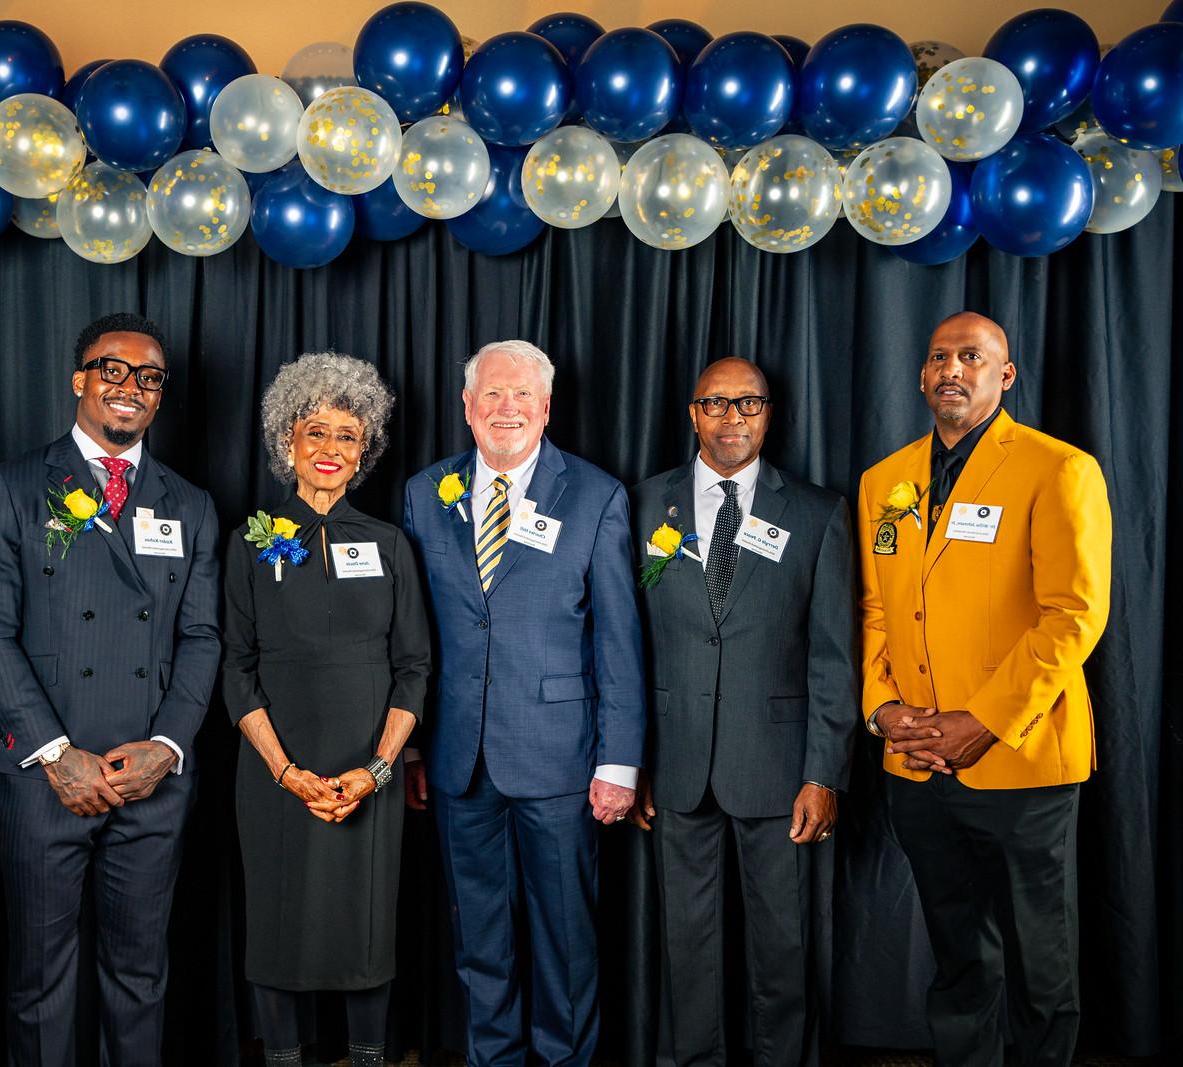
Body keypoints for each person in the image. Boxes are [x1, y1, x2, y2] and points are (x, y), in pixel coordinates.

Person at [0, 313, 221, 1067]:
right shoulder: (11, 487)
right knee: (40, 980)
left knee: (139, 975)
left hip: (150, 779)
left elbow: (202, 637)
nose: (130, 388)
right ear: (79, 380)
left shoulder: (189, 503)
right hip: (45, 778)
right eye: (112, 370)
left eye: (149, 377)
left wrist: (166, 748)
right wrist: (53, 752)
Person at [859, 312, 1112, 1067]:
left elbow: (1075, 614)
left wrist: (986, 719)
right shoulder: (886, 480)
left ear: (1004, 376)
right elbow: (874, 610)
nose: (951, 369)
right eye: (939, 356)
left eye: (972, 356)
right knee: (959, 955)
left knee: (1041, 962)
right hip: (917, 765)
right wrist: (883, 711)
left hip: (1022, 759)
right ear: (921, 375)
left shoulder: (1056, 467)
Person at [402, 340, 645, 1066]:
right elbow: (411, 633)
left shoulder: (596, 495)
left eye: (522, 396)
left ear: (545, 408)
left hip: (560, 758)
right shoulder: (424, 492)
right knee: (478, 935)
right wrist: (412, 744)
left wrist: (621, 762)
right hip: (455, 759)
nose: (507, 408)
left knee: (565, 935)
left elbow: (619, 640)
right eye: (492, 395)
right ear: (468, 407)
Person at [628, 357, 856, 1066]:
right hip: (676, 762)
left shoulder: (818, 512)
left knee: (782, 943)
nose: (733, 417)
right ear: (693, 412)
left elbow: (833, 656)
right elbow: (623, 645)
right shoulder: (640, 504)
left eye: (748, 403)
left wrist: (824, 771)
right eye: (716, 403)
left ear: (768, 413)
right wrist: (627, 760)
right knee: (686, 943)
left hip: (779, 767)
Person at [221, 352, 431, 1067]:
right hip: (277, 773)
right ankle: (282, 1055)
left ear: (364, 448)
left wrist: (375, 770)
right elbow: (237, 667)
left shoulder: (390, 544)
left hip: (366, 775)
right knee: (277, 921)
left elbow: (414, 667)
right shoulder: (250, 543)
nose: (332, 449)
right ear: (288, 442)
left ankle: (370, 1056)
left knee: (365, 922)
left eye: (348, 435)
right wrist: (286, 772)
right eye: (316, 431)